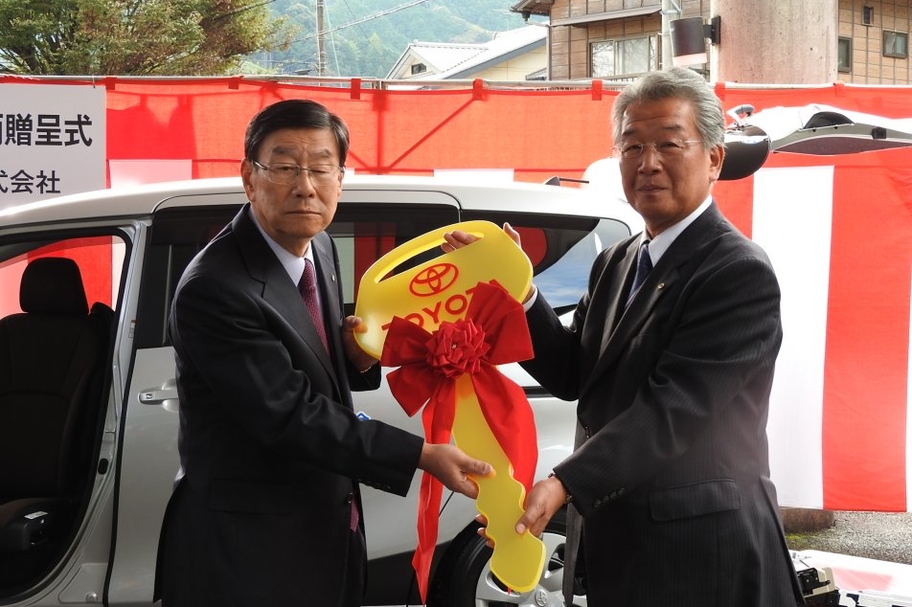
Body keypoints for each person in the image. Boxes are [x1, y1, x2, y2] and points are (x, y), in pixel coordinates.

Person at [445, 68, 804, 606]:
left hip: (703, 550)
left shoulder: (736, 269)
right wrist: (520, 293)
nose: (648, 163)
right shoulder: (618, 259)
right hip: (623, 539)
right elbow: (573, 373)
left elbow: (673, 408)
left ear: (713, 159)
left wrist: (564, 482)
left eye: (668, 144)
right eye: (632, 146)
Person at [154, 98, 491, 607]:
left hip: (324, 530)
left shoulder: (320, 247)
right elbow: (289, 414)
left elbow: (311, 358)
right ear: (249, 176)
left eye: (320, 168)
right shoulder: (216, 287)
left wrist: (354, 356)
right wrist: (419, 455)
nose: (305, 186)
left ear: (341, 177)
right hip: (246, 550)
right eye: (285, 167)